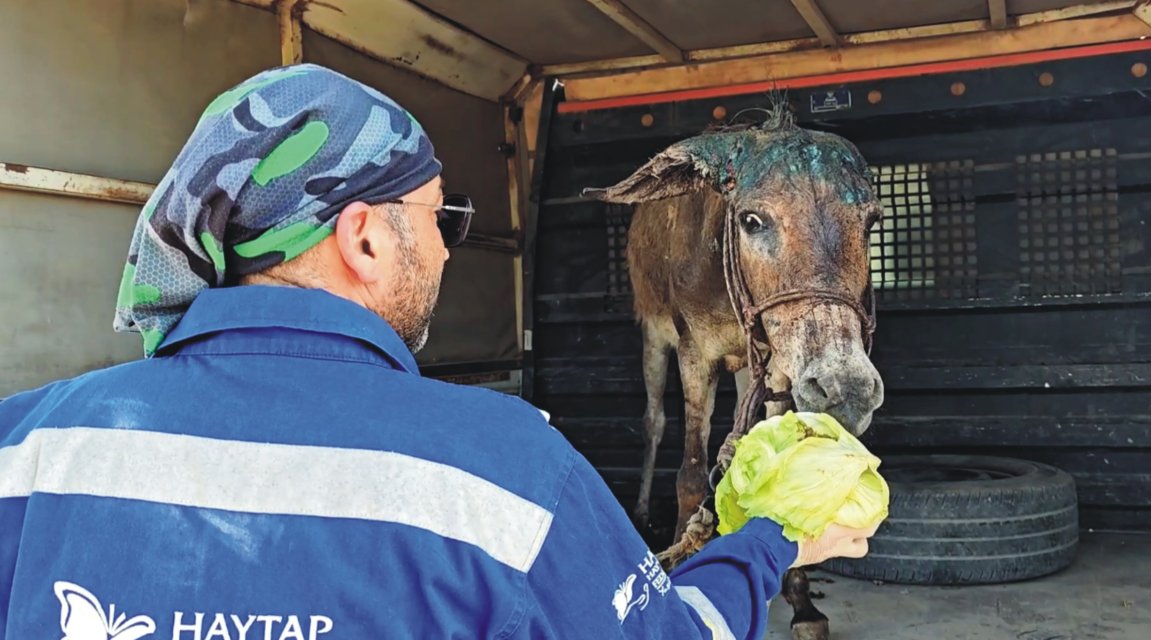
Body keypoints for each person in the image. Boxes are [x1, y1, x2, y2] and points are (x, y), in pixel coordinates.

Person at [0, 64, 875, 639]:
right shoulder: (510, 471)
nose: (457, 246)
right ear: (366, 240)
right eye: (442, 217)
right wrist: (772, 540)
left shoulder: (24, 448)